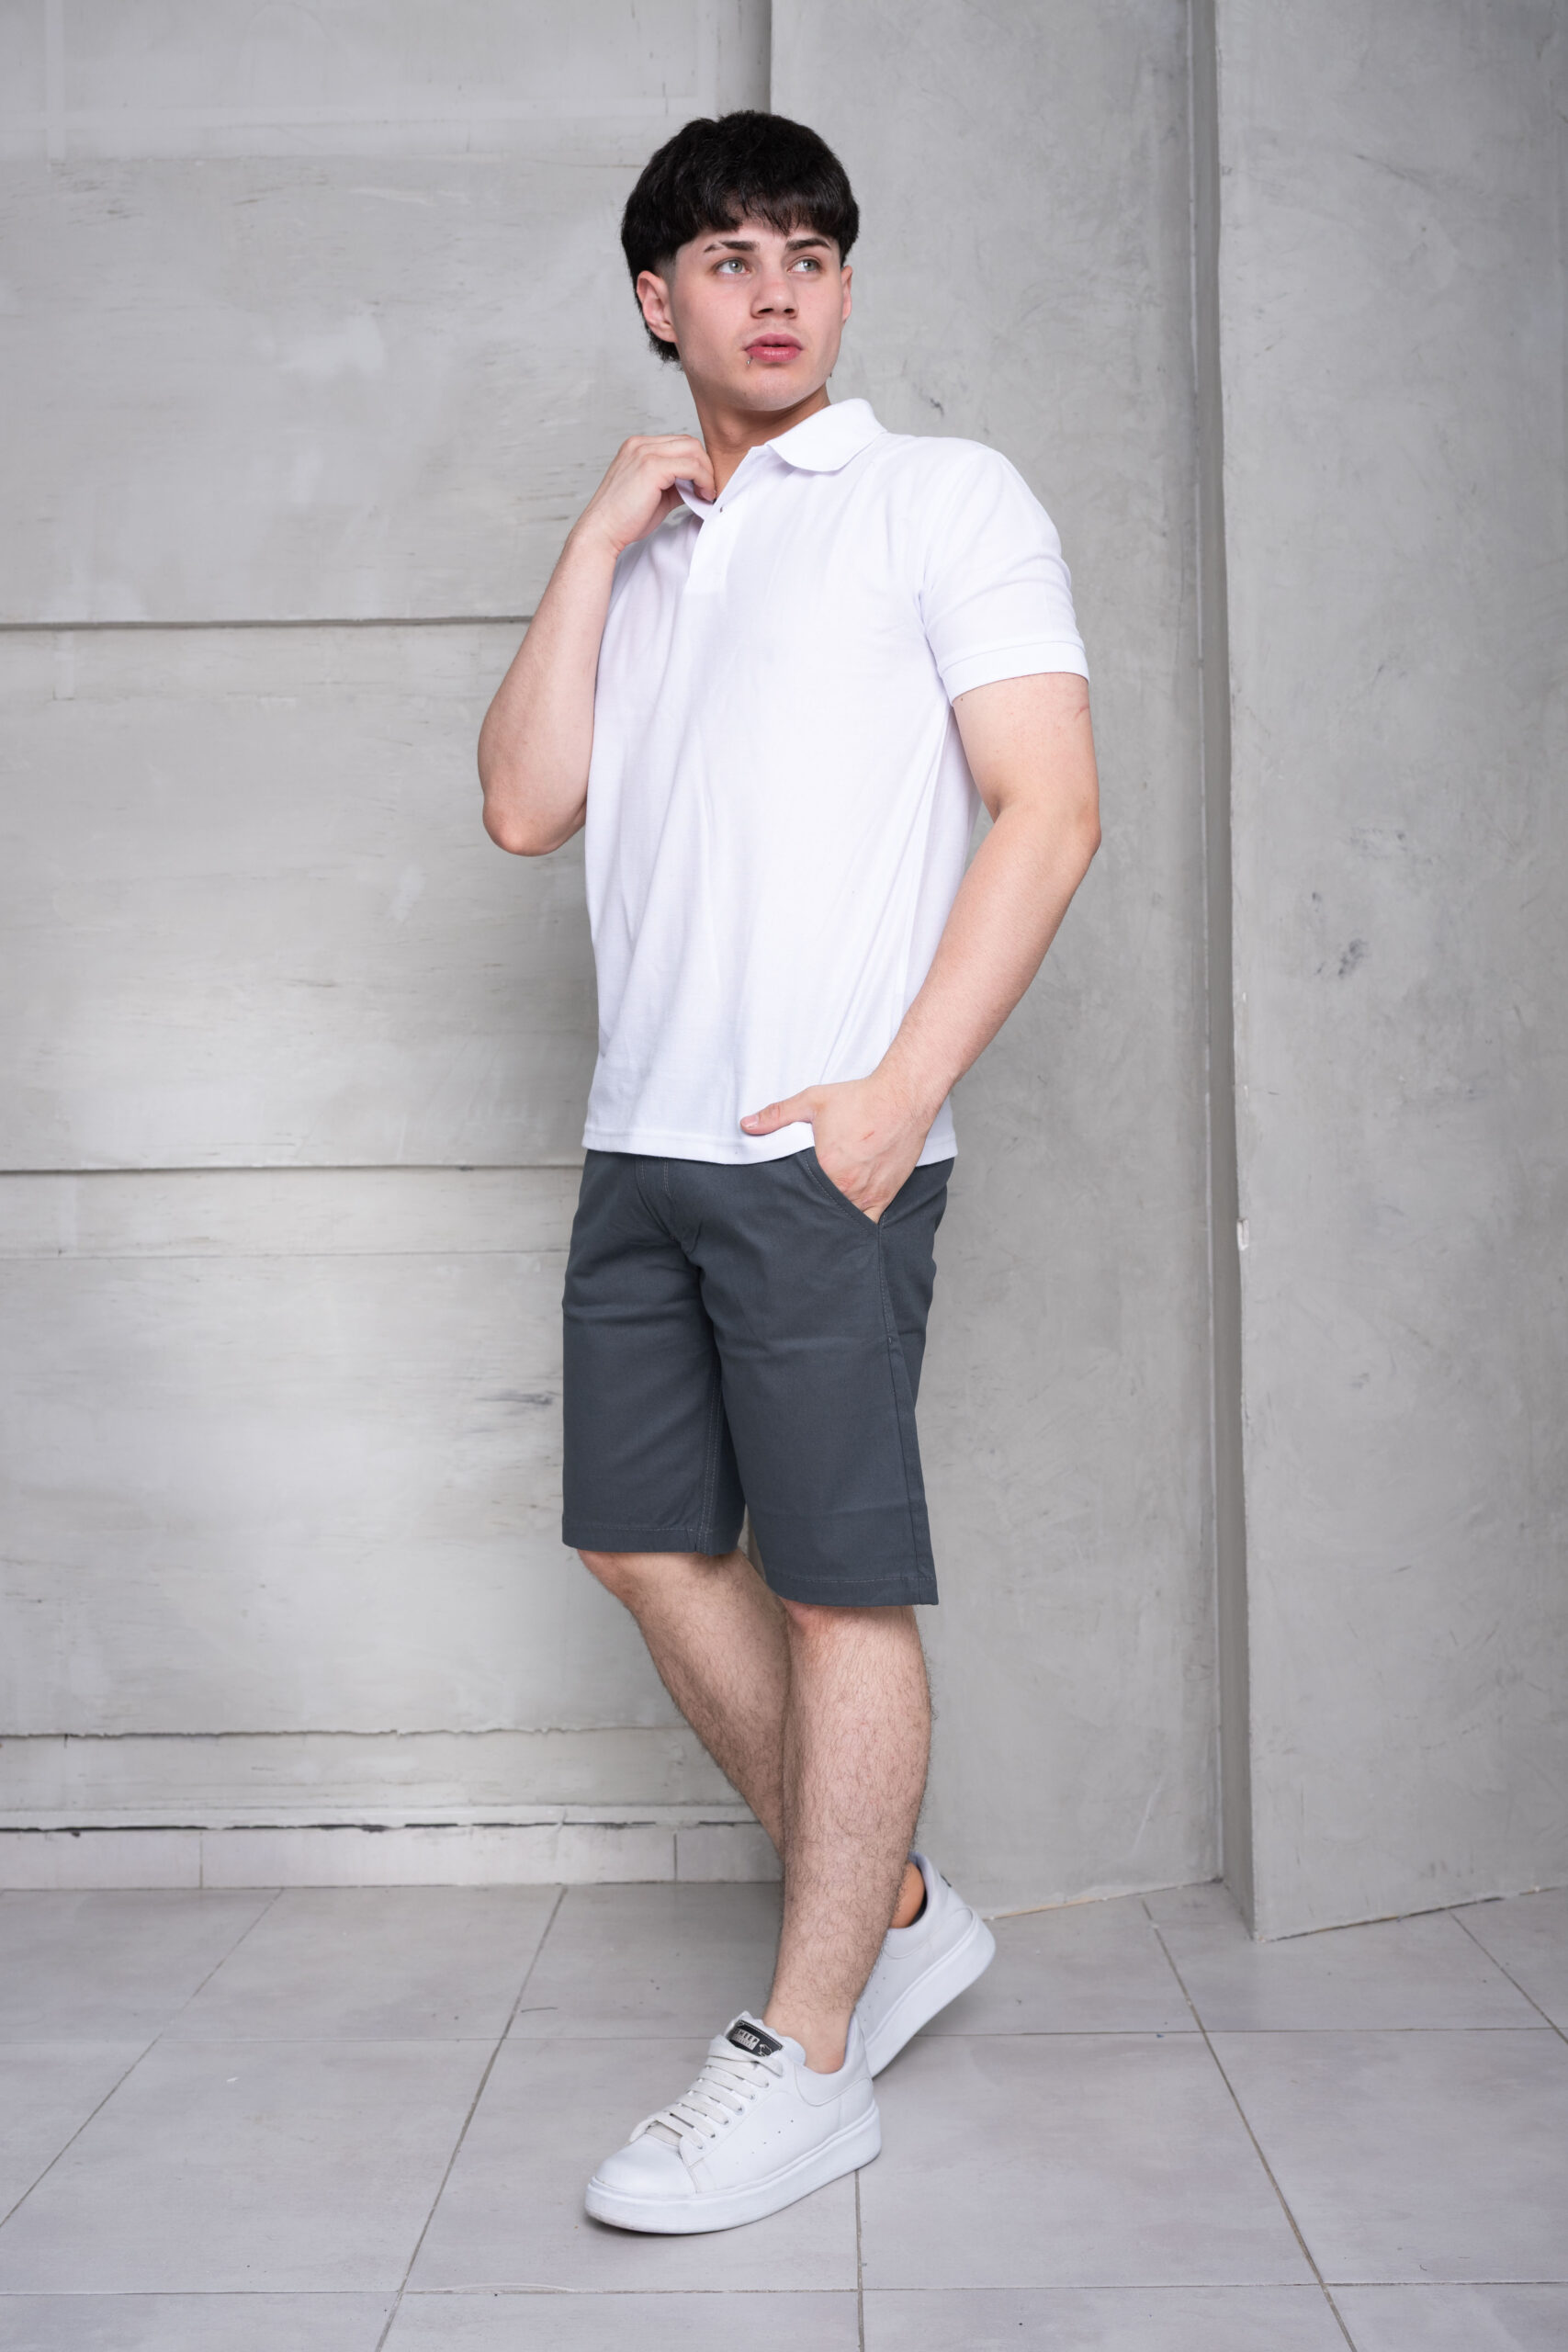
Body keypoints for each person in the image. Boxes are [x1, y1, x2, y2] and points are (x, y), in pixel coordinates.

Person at [478, 109, 1099, 2234]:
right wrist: (592, 543)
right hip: (636, 1140)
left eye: (807, 255)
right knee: (641, 1543)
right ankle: (895, 1907)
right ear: (655, 300)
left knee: (836, 1583)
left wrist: (890, 1097)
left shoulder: (941, 497)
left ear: (840, 287)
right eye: (729, 258)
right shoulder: (648, 545)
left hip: (817, 1154)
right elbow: (522, 805)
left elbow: (1047, 806)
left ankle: (808, 2049)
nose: (774, 290)